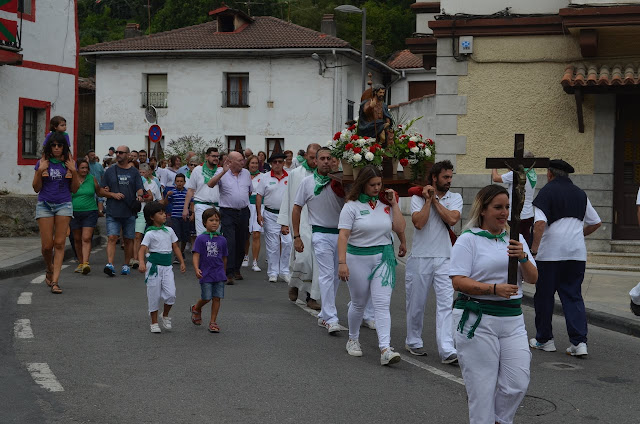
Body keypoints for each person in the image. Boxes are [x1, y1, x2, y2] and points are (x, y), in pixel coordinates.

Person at [450, 184, 538, 424]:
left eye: (507, 207)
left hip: (512, 320)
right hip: (478, 319)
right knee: (482, 389)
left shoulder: (516, 240)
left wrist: (523, 257)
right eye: (498, 207)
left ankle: (499, 420)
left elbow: (532, 278)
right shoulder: (469, 240)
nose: (504, 213)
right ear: (483, 210)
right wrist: (494, 289)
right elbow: (457, 281)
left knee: (517, 383)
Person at [529, 159, 601, 357]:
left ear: (550, 174)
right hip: (576, 254)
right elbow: (596, 222)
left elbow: (540, 224)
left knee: (544, 296)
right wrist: (578, 235)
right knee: (573, 296)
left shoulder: (547, 192)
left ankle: (545, 340)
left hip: (550, 255)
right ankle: (579, 343)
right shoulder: (580, 193)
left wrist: (533, 250)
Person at [337, 165, 406, 365]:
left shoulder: (386, 204)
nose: (377, 188)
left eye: (379, 184)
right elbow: (343, 235)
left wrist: (394, 205)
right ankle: (353, 338)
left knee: (382, 304)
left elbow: (400, 227)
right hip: (357, 257)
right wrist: (342, 262)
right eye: (373, 185)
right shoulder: (351, 206)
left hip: (383, 257)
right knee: (358, 302)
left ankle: (385, 348)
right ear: (363, 184)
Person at [405, 160, 462, 363]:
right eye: (445, 177)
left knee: (446, 304)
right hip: (420, 257)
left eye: (450, 176)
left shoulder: (455, 197)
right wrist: (428, 200)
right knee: (416, 303)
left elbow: (452, 219)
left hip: (446, 258)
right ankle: (413, 341)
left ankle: (447, 349)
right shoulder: (417, 198)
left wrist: (436, 201)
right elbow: (419, 223)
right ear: (434, 177)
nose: (449, 180)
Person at [293, 147, 345, 333]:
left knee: (336, 277)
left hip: (341, 235)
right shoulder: (307, 182)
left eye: (328, 158)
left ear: (334, 161)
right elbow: (297, 208)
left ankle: (324, 314)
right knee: (326, 274)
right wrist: (297, 236)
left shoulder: (341, 182)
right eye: (321, 158)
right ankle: (331, 318)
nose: (325, 161)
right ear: (315, 160)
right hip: (320, 234)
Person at [32, 132, 80, 294]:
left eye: (60, 145)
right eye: (54, 145)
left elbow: (74, 189)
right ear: (49, 147)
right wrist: (40, 171)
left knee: (59, 243)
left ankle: (55, 281)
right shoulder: (42, 162)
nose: (57, 148)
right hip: (45, 204)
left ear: (64, 147)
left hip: (64, 204)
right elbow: (36, 188)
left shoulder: (69, 164)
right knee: (47, 246)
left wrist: (74, 172)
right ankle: (49, 268)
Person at [277, 143, 322, 310]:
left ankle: (312, 297)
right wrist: (284, 222)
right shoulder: (296, 174)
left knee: (318, 262)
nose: (313, 161)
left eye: (315, 158)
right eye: (310, 158)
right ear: (306, 156)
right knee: (303, 258)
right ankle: (294, 284)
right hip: (300, 221)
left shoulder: (325, 176)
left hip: (318, 222)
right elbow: (288, 197)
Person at [138, 201, 186, 333]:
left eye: (164, 212)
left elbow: (175, 246)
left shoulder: (169, 230)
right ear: (152, 217)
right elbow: (142, 249)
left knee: (171, 294)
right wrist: (141, 262)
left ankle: (165, 315)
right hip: (154, 268)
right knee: (154, 295)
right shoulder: (149, 233)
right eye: (160, 213)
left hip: (167, 268)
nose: (164, 215)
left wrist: (181, 261)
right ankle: (154, 322)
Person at [207, 151, 252, 284]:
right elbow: (210, 184)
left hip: (243, 211)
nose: (243, 162)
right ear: (230, 162)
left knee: (242, 241)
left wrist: (241, 201)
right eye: (239, 160)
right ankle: (228, 272)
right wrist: (223, 173)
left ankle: (237, 268)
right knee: (230, 242)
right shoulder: (222, 172)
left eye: (243, 160)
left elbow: (249, 191)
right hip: (227, 212)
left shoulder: (246, 173)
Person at [101, 145, 145, 277]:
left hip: (129, 211)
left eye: (121, 152)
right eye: (117, 152)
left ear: (128, 155)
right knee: (112, 237)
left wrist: (139, 195)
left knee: (128, 240)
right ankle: (110, 264)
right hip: (113, 210)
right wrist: (112, 195)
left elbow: (140, 188)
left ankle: (126, 265)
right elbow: (101, 190)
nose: (118, 154)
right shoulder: (110, 171)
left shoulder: (134, 172)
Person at [190, 208, 228, 333]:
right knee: (206, 297)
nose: (214, 223)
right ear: (204, 222)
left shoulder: (222, 240)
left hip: (219, 273)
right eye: (211, 220)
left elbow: (224, 257)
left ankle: (213, 322)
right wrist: (196, 269)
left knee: (217, 297)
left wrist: (224, 272)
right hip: (205, 273)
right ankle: (196, 308)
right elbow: (196, 255)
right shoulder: (201, 239)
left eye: (217, 220)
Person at [256, 153, 291, 283]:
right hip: (270, 214)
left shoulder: (290, 176)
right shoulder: (265, 177)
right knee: (273, 244)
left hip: (286, 215)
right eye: (275, 162)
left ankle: (285, 271)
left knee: (288, 243)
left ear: (283, 163)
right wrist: (259, 214)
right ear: (271, 164)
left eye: (280, 162)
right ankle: (273, 272)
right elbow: (259, 196)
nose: (277, 164)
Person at [492, 151, 537, 244]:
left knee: (510, 241)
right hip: (529, 213)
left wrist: (494, 166)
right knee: (524, 241)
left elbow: (495, 178)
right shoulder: (532, 173)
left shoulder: (515, 174)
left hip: (515, 213)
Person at [71, 159, 105, 275]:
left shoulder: (92, 179)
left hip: (90, 211)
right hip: (74, 212)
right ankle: (80, 263)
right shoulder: (71, 179)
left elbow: (99, 192)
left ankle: (86, 263)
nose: (85, 170)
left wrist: (112, 194)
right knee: (76, 238)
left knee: (86, 238)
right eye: (82, 168)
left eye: (86, 168)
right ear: (77, 169)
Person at [183, 148, 222, 236]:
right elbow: (190, 190)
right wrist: (185, 208)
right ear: (207, 157)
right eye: (213, 156)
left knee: (216, 234)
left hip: (216, 206)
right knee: (202, 235)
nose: (216, 158)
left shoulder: (221, 171)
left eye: (217, 156)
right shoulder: (197, 170)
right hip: (201, 205)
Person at [133, 163, 163, 268]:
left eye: (143, 172)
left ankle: (146, 255)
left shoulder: (153, 183)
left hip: (147, 212)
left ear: (148, 172)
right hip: (135, 210)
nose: (141, 174)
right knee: (136, 236)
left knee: (144, 235)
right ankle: (135, 259)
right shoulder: (135, 181)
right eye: (139, 172)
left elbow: (156, 198)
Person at [165, 173, 192, 260]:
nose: (179, 183)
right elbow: (165, 204)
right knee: (176, 236)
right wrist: (167, 196)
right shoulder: (172, 192)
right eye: (177, 181)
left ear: (184, 182)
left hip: (185, 217)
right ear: (175, 182)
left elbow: (191, 204)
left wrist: (193, 214)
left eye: (181, 181)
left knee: (185, 236)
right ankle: (177, 254)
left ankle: (182, 251)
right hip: (175, 216)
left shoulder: (188, 192)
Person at [244, 155, 263, 271]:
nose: (254, 165)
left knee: (256, 234)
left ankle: (255, 261)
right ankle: (245, 257)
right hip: (246, 205)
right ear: (248, 164)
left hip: (259, 206)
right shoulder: (243, 175)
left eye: (256, 163)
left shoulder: (263, 176)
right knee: (246, 234)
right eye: (252, 163)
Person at [86, 150, 105, 215]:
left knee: (100, 198)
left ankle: (100, 211)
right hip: (89, 186)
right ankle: (93, 213)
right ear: (88, 156)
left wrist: (103, 185)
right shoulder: (86, 166)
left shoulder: (99, 165)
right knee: (93, 198)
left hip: (99, 185)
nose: (93, 156)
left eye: (94, 155)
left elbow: (103, 176)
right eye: (91, 155)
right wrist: (87, 161)